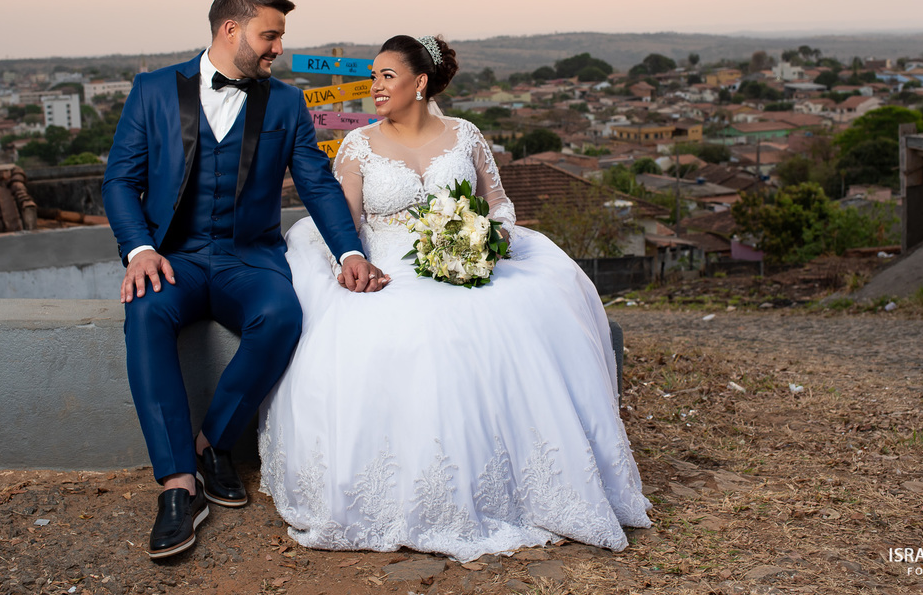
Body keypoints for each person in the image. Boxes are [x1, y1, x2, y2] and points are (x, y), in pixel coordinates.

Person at [259, 34, 651, 562]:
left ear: (420, 82)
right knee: (416, 333)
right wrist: (351, 264)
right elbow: (343, 224)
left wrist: (489, 239)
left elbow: (499, 204)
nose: (374, 87)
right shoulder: (358, 145)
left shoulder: (466, 134)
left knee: (520, 319)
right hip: (389, 263)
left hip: (467, 258)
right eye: (372, 77)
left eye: (386, 76)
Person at [102, 0, 388, 560]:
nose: (278, 48)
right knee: (144, 313)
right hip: (174, 259)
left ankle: (212, 443)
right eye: (270, 35)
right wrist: (139, 250)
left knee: (281, 316)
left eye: (279, 37)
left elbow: (316, 184)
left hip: (248, 258)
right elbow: (119, 181)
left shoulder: (285, 102)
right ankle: (178, 485)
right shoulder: (152, 90)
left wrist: (350, 252)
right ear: (231, 29)